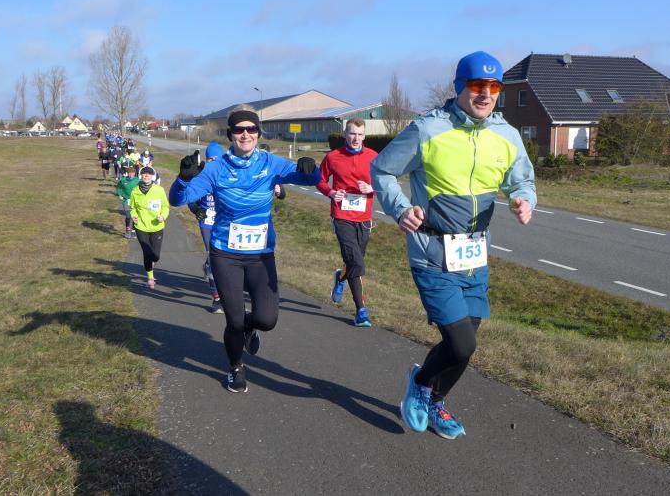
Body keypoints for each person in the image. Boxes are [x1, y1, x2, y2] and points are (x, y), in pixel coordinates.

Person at [371, 51, 536, 439]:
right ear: (460, 86)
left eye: (494, 87)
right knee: (460, 344)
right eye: (478, 85)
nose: (486, 94)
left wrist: (524, 199)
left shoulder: (507, 135)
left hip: (475, 256)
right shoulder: (428, 130)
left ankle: (436, 402)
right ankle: (420, 383)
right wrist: (400, 209)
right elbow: (382, 169)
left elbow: (522, 180)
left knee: (467, 343)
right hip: (432, 253)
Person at [169, 105, 320, 393]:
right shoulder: (216, 169)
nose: (246, 134)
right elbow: (178, 200)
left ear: (258, 133)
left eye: (251, 129)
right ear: (231, 134)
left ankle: (250, 329)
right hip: (225, 253)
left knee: (267, 319)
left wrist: (311, 167)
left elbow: (311, 179)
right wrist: (183, 179)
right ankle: (236, 366)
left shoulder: (271, 164)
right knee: (234, 320)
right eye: (239, 129)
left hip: (261, 255)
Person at [316, 118, 378, 327]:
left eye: (360, 134)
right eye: (352, 134)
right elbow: (319, 180)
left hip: (364, 217)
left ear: (364, 136)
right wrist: (331, 192)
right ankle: (361, 311)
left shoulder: (373, 157)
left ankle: (341, 277)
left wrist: (371, 188)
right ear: (345, 134)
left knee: (354, 261)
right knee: (356, 262)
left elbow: (385, 181)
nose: (356, 138)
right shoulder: (333, 157)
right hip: (342, 215)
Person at [188, 141, 226, 313]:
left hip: (225, 222)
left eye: (217, 158)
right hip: (207, 222)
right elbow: (190, 198)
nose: (214, 162)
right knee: (213, 259)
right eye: (211, 159)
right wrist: (196, 210)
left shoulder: (229, 174)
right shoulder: (201, 176)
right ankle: (217, 299)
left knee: (227, 259)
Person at [130, 166, 170, 289]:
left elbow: (165, 206)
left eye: (149, 174)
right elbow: (133, 208)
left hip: (157, 226)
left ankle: (152, 263)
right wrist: (134, 216)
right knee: (147, 252)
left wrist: (163, 216)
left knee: (156, 256)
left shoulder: (159, 190)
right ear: (141, 176)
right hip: (141, 226)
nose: (146, 175)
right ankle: (150, 277)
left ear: (153, 176)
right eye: (144, 173)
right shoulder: (135, 191)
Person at [116, 165, 141, 238]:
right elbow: (118, 188)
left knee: (135, 216)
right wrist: (119, 194)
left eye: (132, 173)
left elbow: (142, 188)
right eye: (129, 173)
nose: (131, 174)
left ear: (134, 173)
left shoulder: (138, 180)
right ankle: (127, 230)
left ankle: (133, 231)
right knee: (128, 215)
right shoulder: (123, 180)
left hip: (135, 200)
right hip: (126, 200)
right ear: (127, 173)